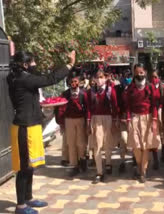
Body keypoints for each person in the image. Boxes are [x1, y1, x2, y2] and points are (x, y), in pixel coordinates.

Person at [7, 50, 76, 214]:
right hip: (24, 128)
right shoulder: (24, 79)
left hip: (31, 124)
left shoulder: (17, 77)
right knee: (23, 167)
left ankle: (28, 198)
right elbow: (50, 79)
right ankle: (20, 206)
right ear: (24, 64)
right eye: (32, 62)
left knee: (30, 166)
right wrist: (69, 64)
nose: (34, 65)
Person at [123, 63, 159, 183]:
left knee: (146, 147)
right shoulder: (130, 88)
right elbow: (127, 106)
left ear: (145, 73)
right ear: (134, 73)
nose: (139, 75)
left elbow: (154, 105)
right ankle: (139, 166)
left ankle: (143, 171)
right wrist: (128, 120)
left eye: (141, 72)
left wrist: (154, 120)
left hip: (148, 119)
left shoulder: (150, 87)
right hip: (134, 118)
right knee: (136, 147)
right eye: (137, 72)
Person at [86, 69, 118, 184]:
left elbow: (114, 107)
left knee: (107, 142)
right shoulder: (91, 92)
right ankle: (99, 171)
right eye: (97, 77)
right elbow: (89, 108)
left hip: (108, 118)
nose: (99, 80)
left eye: (101, 77)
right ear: (94, 79)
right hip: (95, 119)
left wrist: (114, 122)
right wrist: (89, 123)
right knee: (97, 145)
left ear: (105, 78)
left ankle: (108, 163)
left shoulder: (110, 90)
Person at [60, 72, 88, 176]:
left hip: (80, 120)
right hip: (69, 120)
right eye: (72, 81)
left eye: (75, 81)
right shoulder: (65, 94)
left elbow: (87, 108)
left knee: (80, 142)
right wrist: (61, 122)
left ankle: (82, 159)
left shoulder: (83, 93)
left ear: (79, 82)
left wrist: (87, 121)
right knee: (71, 143)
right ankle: (73, 164)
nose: (73, 83)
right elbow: (61, 108)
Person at [149, 70, 164, 169]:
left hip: (162, 114)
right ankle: (155, 159)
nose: (154, 79)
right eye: (152, 77)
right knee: (153, 137)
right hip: (152, 115)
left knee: (162, 135)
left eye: (156, 77)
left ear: (159, 77)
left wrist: (161, 108)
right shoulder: (148, 87)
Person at [116, 70, 133, 173]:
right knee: (123, 140)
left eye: (129, 76)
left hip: (133, 120)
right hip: (122, 119)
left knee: (135, 142)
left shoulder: (134, 90)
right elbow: (115, 105)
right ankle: (122, 161)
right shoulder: (118, 90)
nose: (127, 78)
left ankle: (135, 159)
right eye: (126, 76)